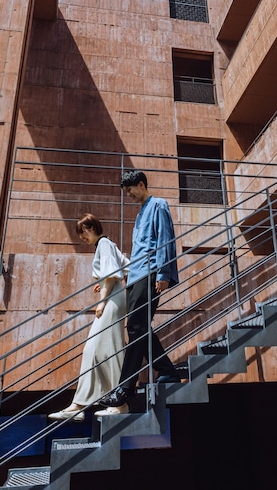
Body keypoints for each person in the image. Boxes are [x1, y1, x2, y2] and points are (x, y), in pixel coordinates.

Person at [94, 170, 183, 416]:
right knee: (138, 328)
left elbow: (165, 239)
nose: (128, 195)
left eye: (129, 190)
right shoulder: (140, 213)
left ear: (141, 184)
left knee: (136, 327)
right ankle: (168, 370)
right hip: (135, 276)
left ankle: (124, 389)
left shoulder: (158, 205)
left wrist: (164, 273)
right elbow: (139, 249)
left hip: (151, 273)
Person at [48, 213, 129, 421]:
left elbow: (111, 274)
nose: (82, 238)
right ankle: (79, 404)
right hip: (114, 297)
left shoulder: (104, 244)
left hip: (112, 301)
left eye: (83, 233)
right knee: (93, 350)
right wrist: (105, 283)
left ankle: (120, 403)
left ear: (91, 228)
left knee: (109, 349)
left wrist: (103, 298)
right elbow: (124, 266)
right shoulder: (106, 244)